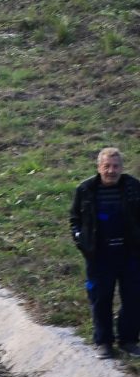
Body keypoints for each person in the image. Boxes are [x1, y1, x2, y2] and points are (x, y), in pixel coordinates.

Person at [74, 148, 140, 354]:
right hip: (99, 256)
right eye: (107, 166)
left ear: (122, 167)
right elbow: (74, 219)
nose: (111, 170)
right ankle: (103, 343)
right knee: (100, 299)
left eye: (115, 166)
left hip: (130, 255)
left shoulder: (134, 187)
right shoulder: (85, 189)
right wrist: (81, 240)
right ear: (99, 167)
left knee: (133, 298)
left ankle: (128, 340)